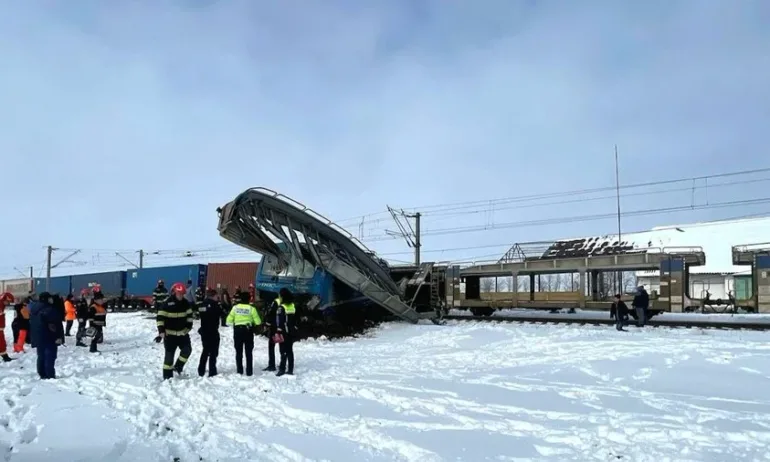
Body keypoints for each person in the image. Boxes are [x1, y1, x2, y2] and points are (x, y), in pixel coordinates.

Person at [156, 282, 194, 380]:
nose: (180, 296)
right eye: (179, 294)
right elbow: (160, 317)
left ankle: (178, 367)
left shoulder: (186, 303)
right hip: (170, 335)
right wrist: (161, 331)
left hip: (182, 334)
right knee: (169, 358)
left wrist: (188, 328)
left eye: (182, 294)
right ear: (174, 292)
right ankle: (167, 378)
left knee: (187, 350)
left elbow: (190, 317)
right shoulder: (167, 303)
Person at [226, 291, 262, 376]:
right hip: (248, 331)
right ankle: (249, 372)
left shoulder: (235, 308)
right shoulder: (251, 309)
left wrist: (236, 324)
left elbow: (228, 321)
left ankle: (239, 371)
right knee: (248, 352)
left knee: (239, 352)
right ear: (249, 299)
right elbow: (258, 322)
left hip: (238, 331)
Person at [29, 292, 63, 379]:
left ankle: (42, 373)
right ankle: (50, 375)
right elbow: (56, 324)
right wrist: (58, 336)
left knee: (41, 356)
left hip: (38, 337)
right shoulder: (49, 310)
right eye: (50, 298)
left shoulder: (33, 309)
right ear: (47, 299)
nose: (51, 300)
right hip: (49, 336)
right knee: (50, 356)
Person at [197, 289, 225, 377]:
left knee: (205, 350)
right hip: (213, 331)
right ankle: (212, 371)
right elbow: (222, 314)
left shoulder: (201, 304)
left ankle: (201, 370)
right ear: (213, 296)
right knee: (213, 352)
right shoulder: (215, 305)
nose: (218, 298)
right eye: (217, 296)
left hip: (204, 330)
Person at [275, 287, 297, 376]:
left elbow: (279, 321)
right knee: (290, 350)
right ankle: (290, 369)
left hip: (283, 331)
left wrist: (278, 331)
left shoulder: (281, 307)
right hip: (291, 331)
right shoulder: (292, 306)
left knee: (282, 350)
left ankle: (282, 369)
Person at [262, 293, 281, 372]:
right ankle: (282, 364)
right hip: (282, 328)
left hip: (275, 328)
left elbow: (272, 313)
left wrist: (267, 323)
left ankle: (272, 365)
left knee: (271, 346)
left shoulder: (276, 302)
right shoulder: (287, 302)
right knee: (282, 346)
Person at [0, 292, 15, 362]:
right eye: (8, 302)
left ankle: (4, 356)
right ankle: (5, 356)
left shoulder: (2, 304)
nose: (8, 304)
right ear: (5, 299)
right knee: (1, 342)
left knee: (2, 342)